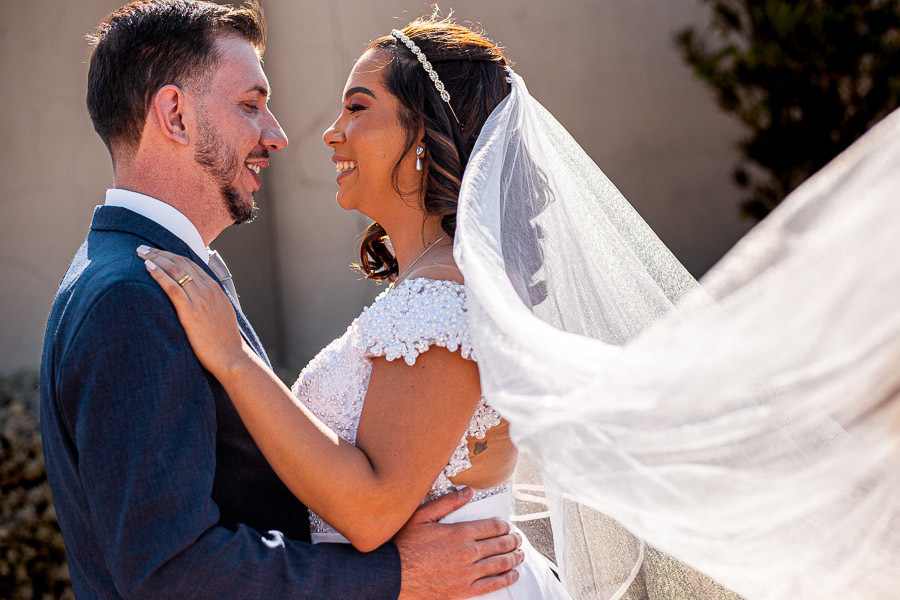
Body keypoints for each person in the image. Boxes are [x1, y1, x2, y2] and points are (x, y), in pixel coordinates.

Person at [138, 14, 758, 600]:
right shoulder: (432, 288)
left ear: (424, 135)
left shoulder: (444, 300)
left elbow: (371, 509)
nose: (332, 131)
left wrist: (233, 359)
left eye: (358, 107)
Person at [39, 2, 523, 598]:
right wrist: (397, 576)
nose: (281, 134)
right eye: (250, 105)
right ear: (176, 116)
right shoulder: (130, 297)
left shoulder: (160, 275)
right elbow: (169, 570)